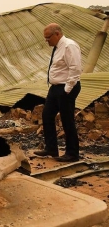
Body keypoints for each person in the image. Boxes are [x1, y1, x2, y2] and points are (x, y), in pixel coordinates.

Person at [34, 23, 82, 162]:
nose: (46, 40)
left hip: (66, 87)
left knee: (67, 120)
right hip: (55, 88)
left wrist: (67, 89)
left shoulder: (69, 46)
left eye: (48, 37)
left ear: (57, 34)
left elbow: (75, 68)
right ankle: (51, 148)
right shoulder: (57, 47)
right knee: (47, 115)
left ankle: (72, 153)